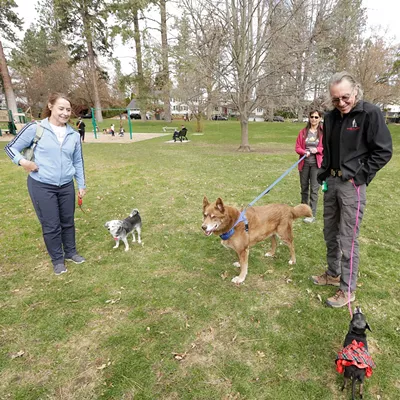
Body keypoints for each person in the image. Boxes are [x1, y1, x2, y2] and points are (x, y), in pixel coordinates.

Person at [311, 72, 392, 308]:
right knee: (330, 233)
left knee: (348, 239)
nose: (341, 103)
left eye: (345, 97)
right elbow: (328, 148)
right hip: (331, 184)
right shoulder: (329, 117)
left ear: (355, 91)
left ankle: (347, 289)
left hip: (352, 186)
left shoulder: (370, 113)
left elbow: (383, 151)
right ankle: (333, 273)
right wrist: (324, 171)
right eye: (336, 99)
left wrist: (360, 178)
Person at [4, 93, 87, 275]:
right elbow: (10, 148)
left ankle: (71, 252)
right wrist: (23, 162)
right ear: (50, 106)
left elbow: (78, 161)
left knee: (68, 221)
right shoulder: (35, 128)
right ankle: (57, 259)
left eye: (68, 109)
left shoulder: (73, 134)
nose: (65, 113)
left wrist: (81, 184)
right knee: (51, 224)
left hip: (66, 185)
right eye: (61, 108)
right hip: (41, 185)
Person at [295, 110, 324, 223]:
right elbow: (297, 147)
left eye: (316, 117)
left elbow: (326, 147)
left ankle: (311, 214)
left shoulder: (322, 133)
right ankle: (303, 210)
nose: (314, 119)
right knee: (304, 187)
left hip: (316, 164)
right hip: (304, 163)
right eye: (312, 117)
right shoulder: (303, 132)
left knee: (314, 189)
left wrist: (317, 149)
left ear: (320, 119)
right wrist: (303, 152)